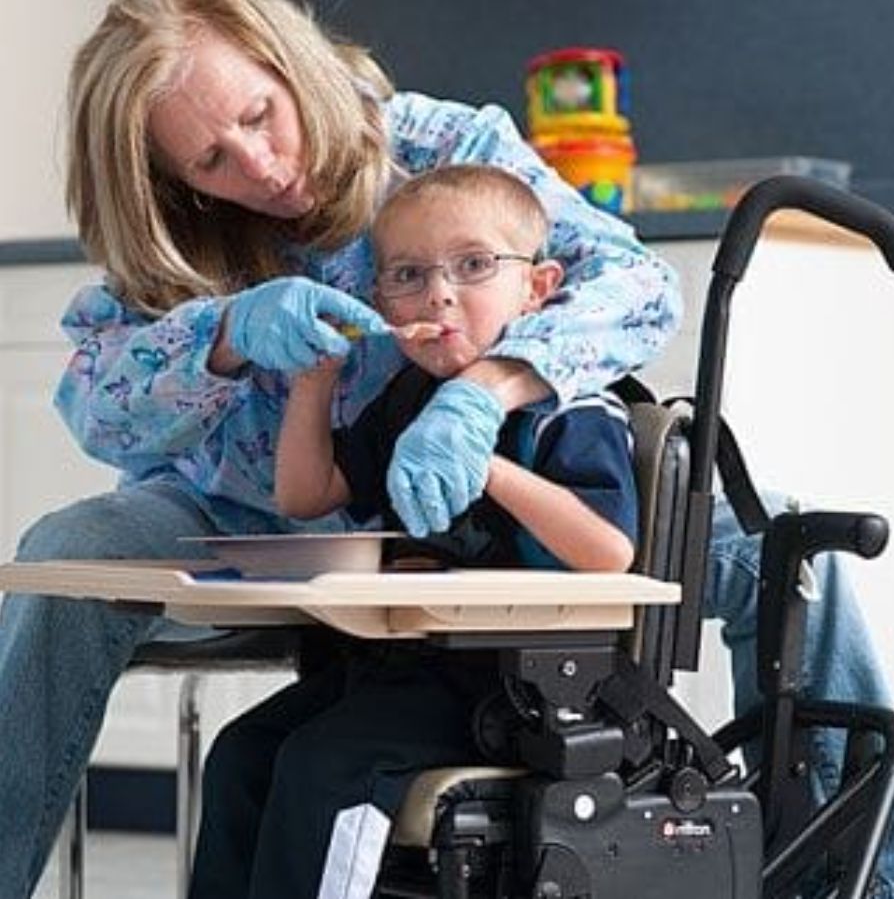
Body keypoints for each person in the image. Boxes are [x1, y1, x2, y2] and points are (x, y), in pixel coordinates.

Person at [0, 0, 892, 896]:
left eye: (259, 117)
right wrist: (223, 336)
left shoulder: (436, 145)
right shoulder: (174, 232)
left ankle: (860, 874)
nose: (261, 166)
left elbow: (635, 284)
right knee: (64, 558)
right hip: (247, 522)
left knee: (782, 543)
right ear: (171, 175)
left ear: (287, 62)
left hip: (480, 524)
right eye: (210, 160)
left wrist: (482, 391)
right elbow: (94, 403)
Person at [186, 163, 641, 899]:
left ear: (538, 287)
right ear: (381, 301)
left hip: (507, 686)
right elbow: (306, 495)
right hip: (405, 666)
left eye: (473, 265)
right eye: (408, 274)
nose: (439, 292)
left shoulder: (572, 409)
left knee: (325, 767)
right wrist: (317, 380)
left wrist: (485, 463)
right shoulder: (407, 398)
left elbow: (610, 552)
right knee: (241, 754)